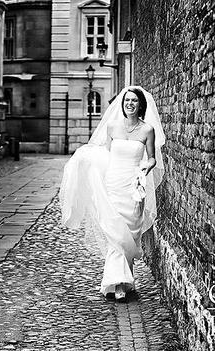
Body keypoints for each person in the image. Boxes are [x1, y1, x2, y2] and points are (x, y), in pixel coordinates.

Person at [59, 86, 165, 302]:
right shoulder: (112, 127)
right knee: (115, 234)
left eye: (135, 101)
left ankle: (128, 279)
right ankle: (116, 283)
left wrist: (147, 166)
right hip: (113, 185)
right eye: (127, 100)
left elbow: (152, 157)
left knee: (131, 233)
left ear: (141, 105)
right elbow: (106, 155)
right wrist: (88, 162)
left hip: (134, 186)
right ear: (122, 103)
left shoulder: (147, 130)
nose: (130, 104)